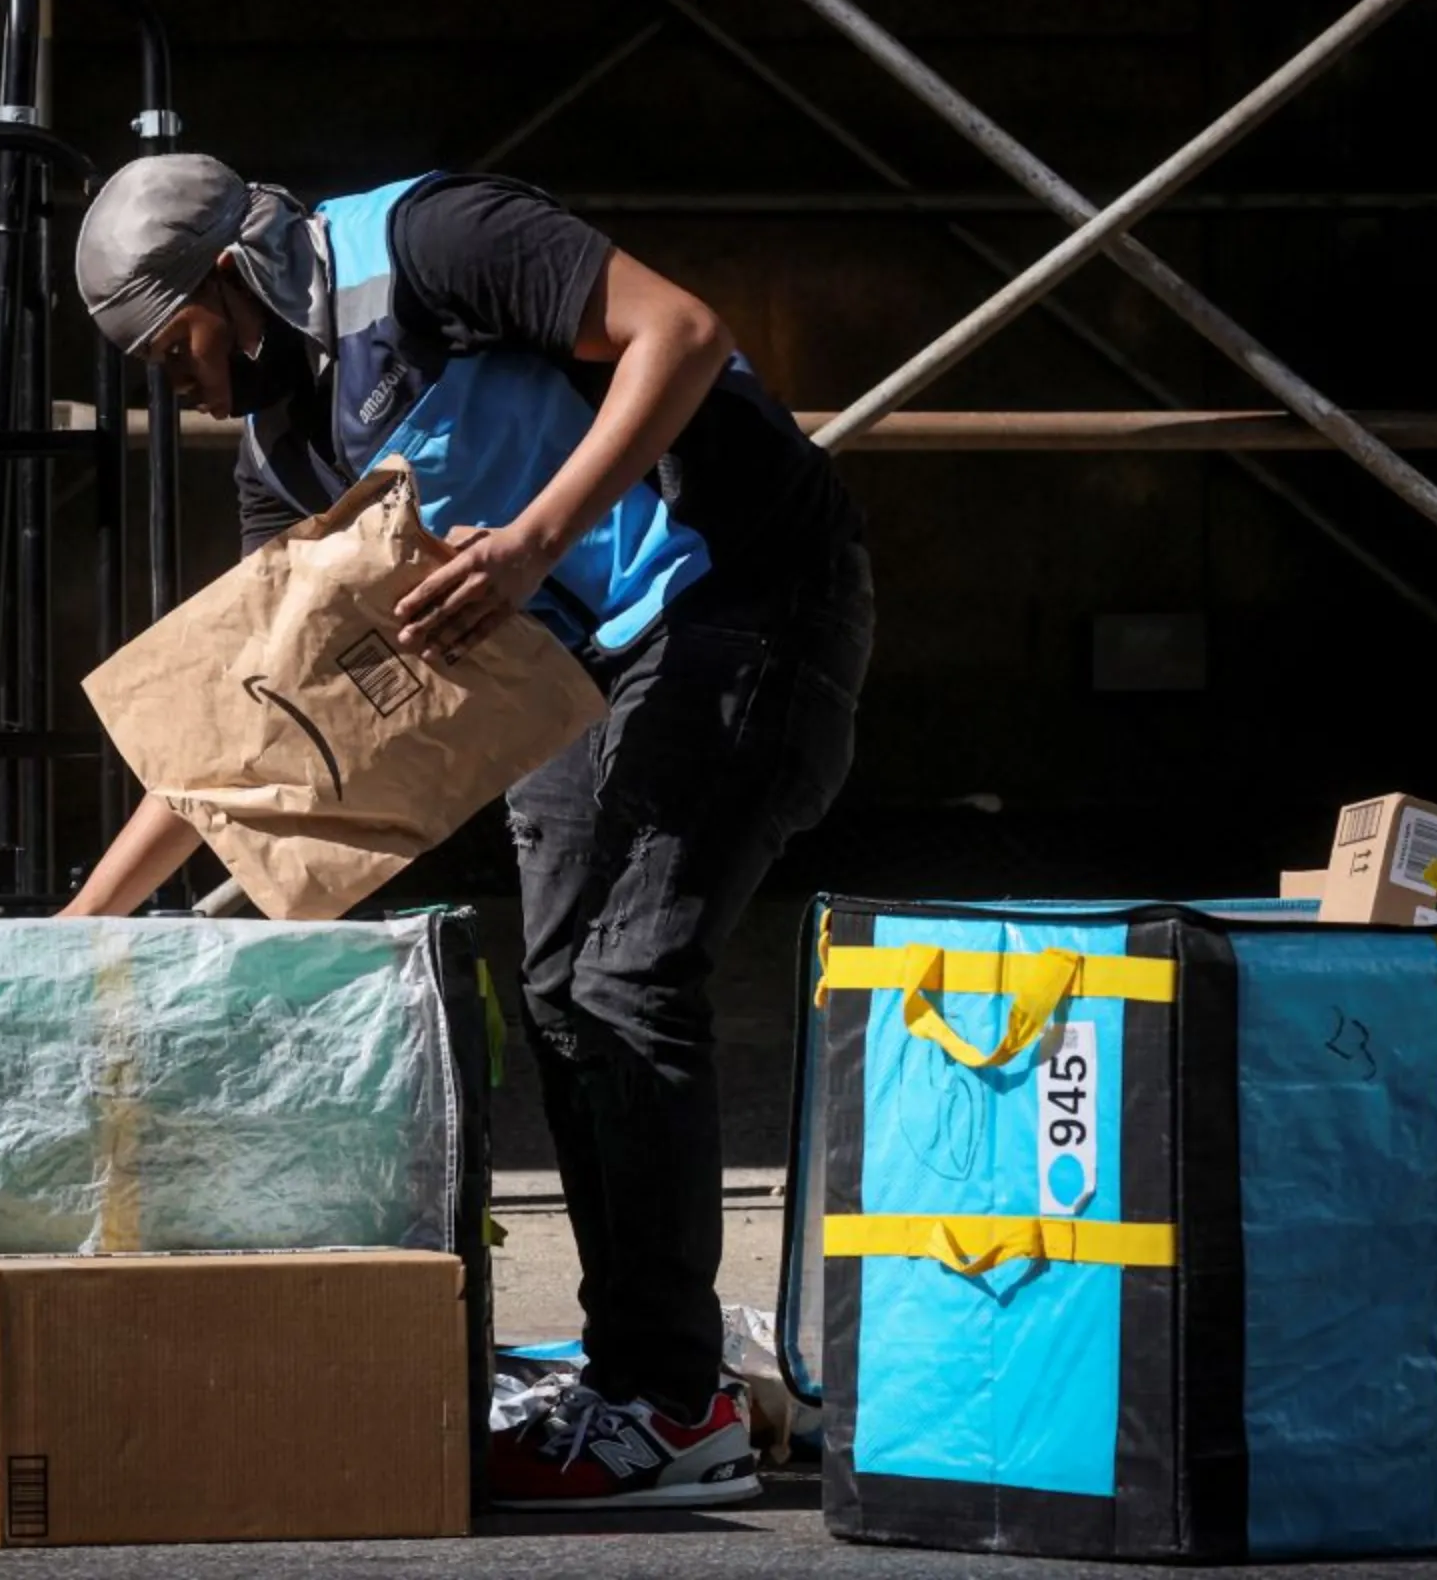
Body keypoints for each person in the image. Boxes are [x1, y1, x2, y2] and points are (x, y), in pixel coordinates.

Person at [61, 153, 874, 1510]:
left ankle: (674, 1403)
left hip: (744, 598)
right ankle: (644, 1374)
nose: (178, 383)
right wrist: (77, 933)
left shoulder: (431, 242)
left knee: (624, 977)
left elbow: (682, 331)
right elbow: (253, 734)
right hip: (572, 671)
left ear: (223, 280)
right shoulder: (286, 446)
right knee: (561, 997)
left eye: (172, 348)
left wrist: (537, 543)